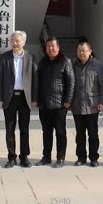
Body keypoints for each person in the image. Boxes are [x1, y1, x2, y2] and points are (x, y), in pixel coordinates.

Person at [0, 30, 38, 168]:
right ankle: (11, 157)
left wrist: (34, 98)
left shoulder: (31, 57)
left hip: (25, 98)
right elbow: (0, 79)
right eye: (12, 40)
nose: (15, 43)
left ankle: (24, 156)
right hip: (10, 97)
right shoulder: (4, 58)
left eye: (18, 41)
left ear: (23, 42)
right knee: (10, 128)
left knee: (24, 128)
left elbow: (35, 79)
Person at [36, 37, 74, 168]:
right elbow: (38, 82)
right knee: (46, 132)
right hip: (44, 104)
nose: (50, 48)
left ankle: (60, 158)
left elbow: (71, 81)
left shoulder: (65, 61)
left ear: (58, 47)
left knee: (60, 132)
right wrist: (37, 99)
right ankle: (46, 157)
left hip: (59, 104)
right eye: (48, 46)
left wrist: (68, 100)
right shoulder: (43, 62)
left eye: (53, 46)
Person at [71, 41, 103, 167]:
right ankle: (81, 157)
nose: (81, 53)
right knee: (80, 134)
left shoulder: (97, 65)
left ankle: (94, 157)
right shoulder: (73, 65)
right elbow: (70, 84)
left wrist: (102, 101)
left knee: (93, 134)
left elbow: (102, 85)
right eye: (79, 51)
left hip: (92, 105)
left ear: (90, 51)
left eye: (84, 50)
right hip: (77, 105)